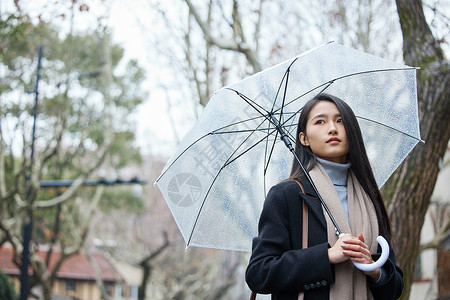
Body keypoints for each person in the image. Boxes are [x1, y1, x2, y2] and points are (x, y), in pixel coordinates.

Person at [245, 93, 404, 300]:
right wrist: (327, 256)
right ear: (304, 138)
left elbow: (395, 287)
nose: (332, 128)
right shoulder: (288, 195)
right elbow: (259, 273)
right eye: (320, 121)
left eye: (340, 120)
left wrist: (373, 269)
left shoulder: (369, 198)